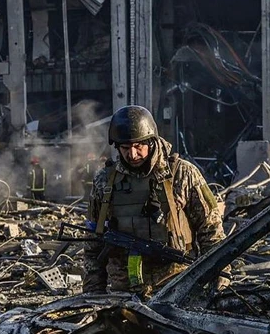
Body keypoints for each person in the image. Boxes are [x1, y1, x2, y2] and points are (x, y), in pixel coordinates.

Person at [83, 105, 226, 296]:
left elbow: (211, 230)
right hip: (124, 290)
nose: (132, 155)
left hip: (177, 286)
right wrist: (93, 293)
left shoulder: (182, 174)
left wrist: (220, 277)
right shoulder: (104, 181)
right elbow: (94, 243)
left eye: (138, 146)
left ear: (151, 142)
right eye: (125, 148)